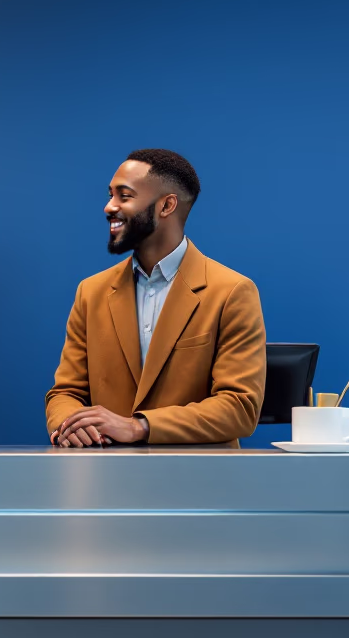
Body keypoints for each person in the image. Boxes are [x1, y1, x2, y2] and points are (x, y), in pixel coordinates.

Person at [45, 149, 265, 448]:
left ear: (166, 205)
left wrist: (139, 427)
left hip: (203, 484)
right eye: (111, 194)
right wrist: (71, 424)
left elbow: (239, 408)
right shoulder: (91, 292)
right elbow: (65, 393)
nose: (109, 207)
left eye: (124, 195)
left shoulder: (231, 292)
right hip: (106, 481)